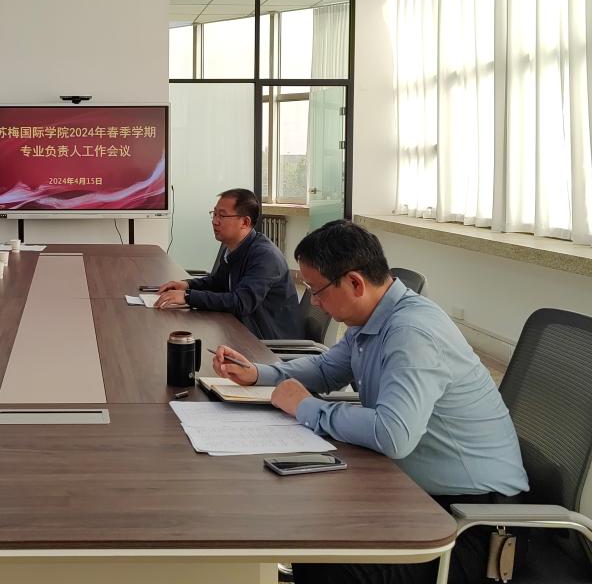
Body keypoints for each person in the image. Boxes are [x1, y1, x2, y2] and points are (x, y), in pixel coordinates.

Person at [212, 220, 529, 584]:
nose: (314, 302)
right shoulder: (374, 318)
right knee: (312, 528)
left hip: (474, 525)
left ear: (355, 283)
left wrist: (307, 407)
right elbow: (327, 368)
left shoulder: (411, 333)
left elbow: (394, 435)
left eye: (317, 290)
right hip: (418, 494)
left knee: (328, 562)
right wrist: (259, 374)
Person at [155, 188, 302, 341]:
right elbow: (218, 282)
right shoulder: (233, 247)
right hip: (242, 330)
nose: (215, 221)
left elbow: (241, 302)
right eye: (214, 214)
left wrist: (188, 297)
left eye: (222, 215)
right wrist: (186, 285)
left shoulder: (265, 257)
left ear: (245, 222)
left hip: (269, 342)